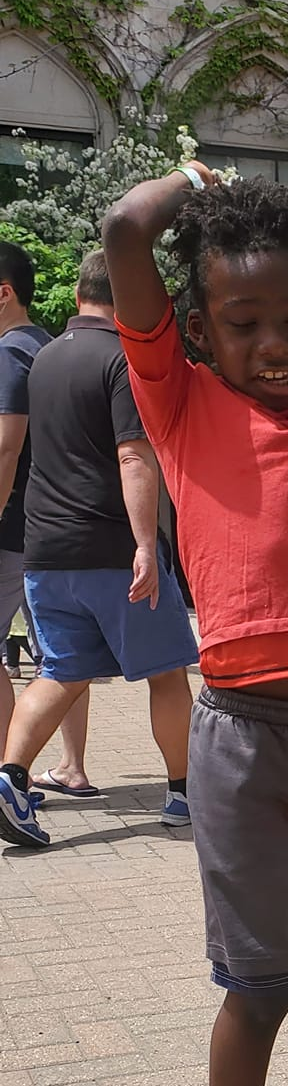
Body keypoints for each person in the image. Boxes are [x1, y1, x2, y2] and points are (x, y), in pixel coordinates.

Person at [101, 165, 288, 1086]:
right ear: (201, 330)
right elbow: (125, 233)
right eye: (244, 322)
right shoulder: (179, 400)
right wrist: (192, 182)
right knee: (259, 982)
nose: (274, 346)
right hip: (242, 740)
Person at [0, 250, 196, 851]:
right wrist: (145, 544)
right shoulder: (123, 360)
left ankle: (9, 778)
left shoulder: (44, 357)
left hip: (44, 550)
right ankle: (185, 793)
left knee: (61, 670)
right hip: (113, 547)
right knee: (166, 674)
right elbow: (134, 455)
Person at [0, 242, 51, 760]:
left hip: (10, 523)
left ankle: (6, 766)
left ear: (4, 294)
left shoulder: (9, 352)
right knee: (60, 658)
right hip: (48, 523)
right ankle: (72, 766)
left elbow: (6, 445)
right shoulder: (47, 346)